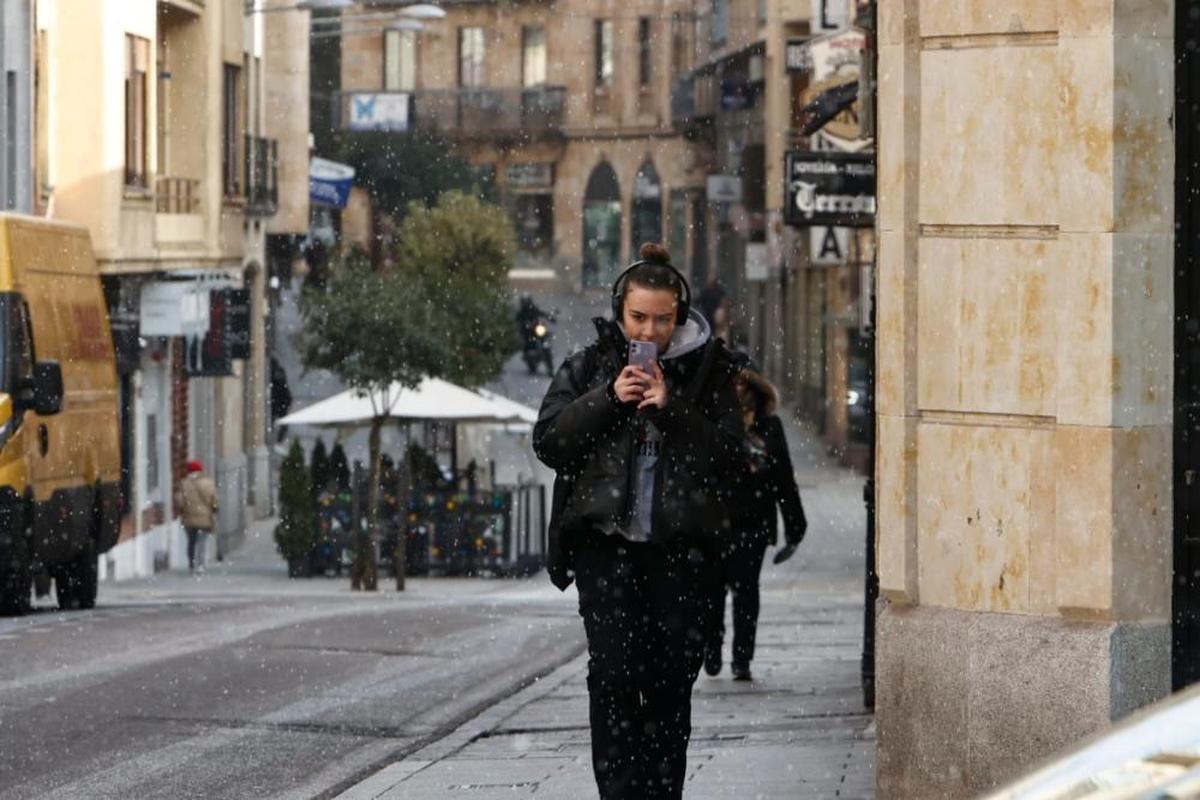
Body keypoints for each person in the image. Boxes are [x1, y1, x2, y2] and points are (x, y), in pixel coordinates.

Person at [533, 242, 742, 799]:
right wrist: (608, 397)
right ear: (620, 311)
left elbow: (732, 463)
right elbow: (550, 442)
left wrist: (671, 408)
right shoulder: (590, 365)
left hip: (683, 557)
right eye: (639, 318)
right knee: (613, 680)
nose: (650, 332)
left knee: (671, 688)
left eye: (663, 319)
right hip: (607, 551)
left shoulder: (712, 372)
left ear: (681, 315)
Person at [705, 361, 807, 681]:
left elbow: (784, 479)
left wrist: (795, 527)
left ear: (754, 389)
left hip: (753, 524)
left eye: (741, 385)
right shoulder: (714, 423)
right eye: (731, 385)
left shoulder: (770, 427)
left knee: (746, 591)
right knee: (711, 591)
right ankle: (711, 646)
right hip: (714, 523)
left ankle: (742, 659)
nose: (737, 391)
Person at [176, 460, 219, 574]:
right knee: (202, 542)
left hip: (189, 519)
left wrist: (183, 510)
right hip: (205, 519)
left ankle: (191, 564)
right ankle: (201, 564)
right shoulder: (208, 483)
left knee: (191, 542)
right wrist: (214, 509)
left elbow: (180, 502)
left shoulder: (183, 484)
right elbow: (214, 500)